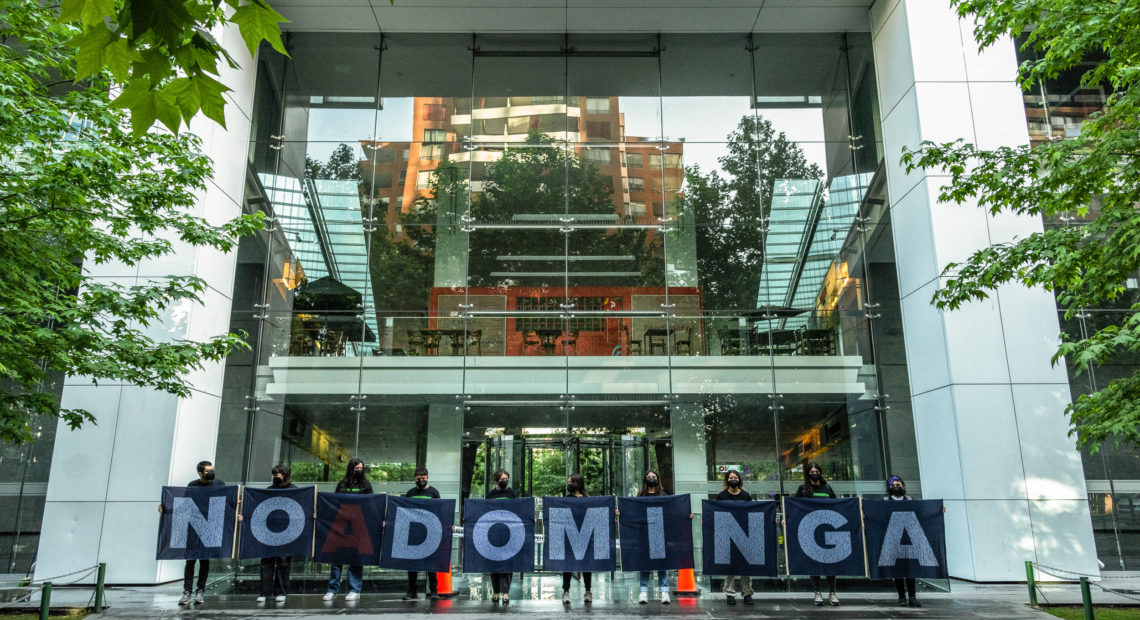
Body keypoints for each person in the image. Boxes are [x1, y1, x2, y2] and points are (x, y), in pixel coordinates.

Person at [160, 460, 223, 606]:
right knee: (190, 561)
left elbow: (226, 503)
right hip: (193, 526)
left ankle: (200, 590)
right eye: (208, 471)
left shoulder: (219, 484)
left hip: (209, 527)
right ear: (200, 473)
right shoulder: (192, 485)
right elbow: (184, 504)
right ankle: (187, 591)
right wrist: (166, 510)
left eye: (212, 469)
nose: (212, 472)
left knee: (204, 560)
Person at [323, 459, 372, 602]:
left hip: (359, 527)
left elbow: (371, 504)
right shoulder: (342, 484)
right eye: (356, 468)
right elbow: (334, 503)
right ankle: (332, 590)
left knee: (355, 558)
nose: (359, 470)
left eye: (361, 468)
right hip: (341, 526)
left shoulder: (366, 485)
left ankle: (354, 590)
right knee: (336, 559)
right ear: (351, 469)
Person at [795, 462, 839, 606]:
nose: (814, 473)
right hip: (810, 531)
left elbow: (837, 505)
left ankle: (832, 593)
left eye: (816, 471)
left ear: (820, 472)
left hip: (827, 530)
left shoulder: (827, 488)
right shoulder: (802, 489)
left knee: (830, 563)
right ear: (808, 474)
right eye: (812, 471)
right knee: (814, 563)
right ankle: (817, 592)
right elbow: (795, 507)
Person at [257, 464, 295, 604]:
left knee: (283, 563)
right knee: (266, 562)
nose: (275, 477)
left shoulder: (294, 491)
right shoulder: (269, 490)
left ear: (284, 475)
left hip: (287, 532)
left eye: (277, 475)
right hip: (269, 531)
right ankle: (264, 592)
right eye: (273, 475)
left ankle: (281, 592)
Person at [716, 469, 754, 606]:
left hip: (744, 534)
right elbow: (715, 513)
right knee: (730, 566)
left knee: (745, 566)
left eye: (735, 477)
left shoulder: (745, 495)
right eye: (731, 478)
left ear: (739, 480)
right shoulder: (721, 496)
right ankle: (730, 593)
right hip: (728, 535)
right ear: (727, 480)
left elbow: (753, 512)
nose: (733, 480)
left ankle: (747, 593)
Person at [403, 467, 441, 601]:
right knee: (412, 563)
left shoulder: (434, 492)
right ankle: (411, 591)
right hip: (414, 531)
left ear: (427, 477)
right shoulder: (410, 493)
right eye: (418, 478)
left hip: (430, 532)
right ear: (414, 479)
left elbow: (440, 510)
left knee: (431, 563)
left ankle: (434, 591)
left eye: (423, 478)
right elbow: (404, 511)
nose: (421, 480)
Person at [884, 475, 921, 608]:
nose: (896, 487)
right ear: (889, 487)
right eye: (893, 485)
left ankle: (912, 596)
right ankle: (901, 597)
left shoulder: (910, 500)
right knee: (898, 569)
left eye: (898, 485)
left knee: (910, 569)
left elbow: (922, 512)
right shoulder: (885, 502)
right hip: (893, 538)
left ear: (903, 486)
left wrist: (938, 509)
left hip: (910, 538)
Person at [636, 469, 671, 605]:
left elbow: (671, 512)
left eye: (653, 476)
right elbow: (634, 513)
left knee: (662, 563)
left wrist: (687, 515)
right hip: (644, 533)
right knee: (645, 564)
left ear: (658, 479)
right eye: (649, 476)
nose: (651, 478)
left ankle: (664, 591)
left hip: (660, 533)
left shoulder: (663, 495)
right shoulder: (640, 496)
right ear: (645, 479)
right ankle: (643, 591)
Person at [560, 473, 593, 605]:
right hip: (570, 536)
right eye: (568, 482)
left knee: (586, 565)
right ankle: (566, 591)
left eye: (571, 482)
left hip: (585, 536)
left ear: (578, 483)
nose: (569, 484)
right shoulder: (566, 499)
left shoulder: (588, 499)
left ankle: (588, 591)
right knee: (567, 564)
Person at [486, 469, 517, 605]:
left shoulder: (513, 493)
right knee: (495, 563)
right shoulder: (490, 495)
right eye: (502, 479)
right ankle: (496, 592)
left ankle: (505, 593)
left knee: (507, 563)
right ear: (496, 480)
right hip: (494, 532)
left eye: (506, 478)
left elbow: (519, 510)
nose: (504, 481)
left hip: (509, 532)